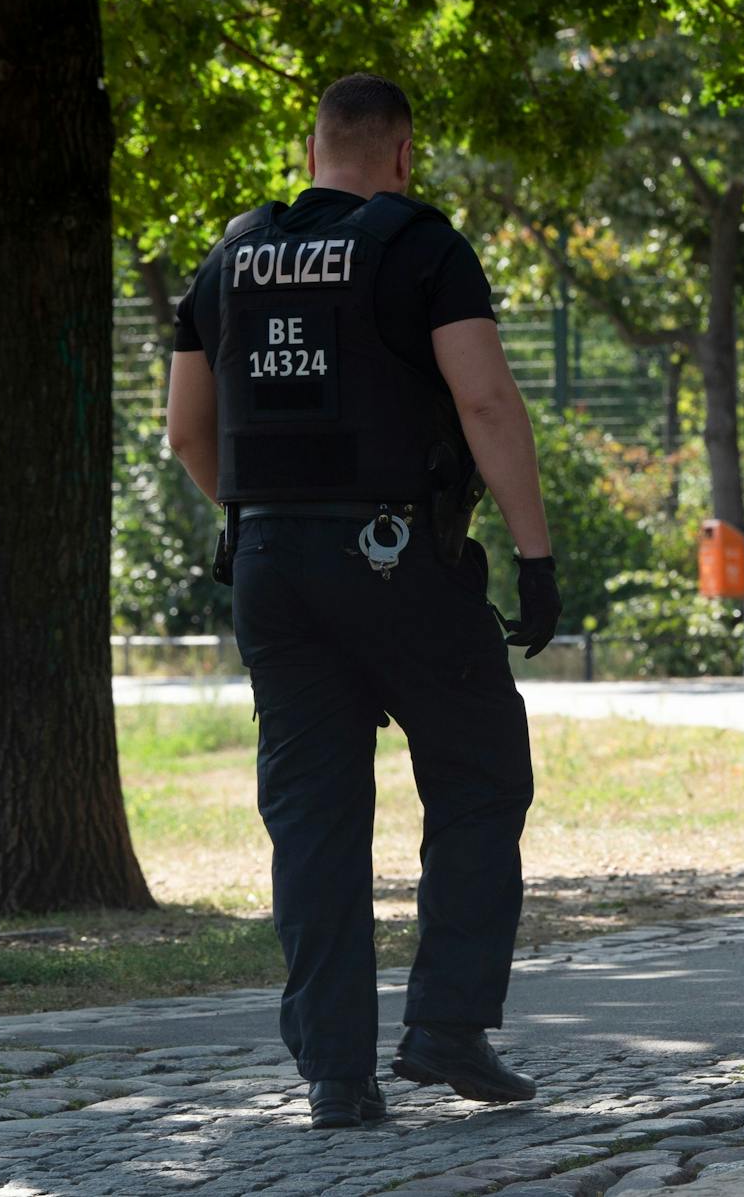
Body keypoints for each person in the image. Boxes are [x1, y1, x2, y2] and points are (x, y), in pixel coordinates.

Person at [165, 74, 561, 1130]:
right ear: (402, 155)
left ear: (311, 153)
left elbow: (186, 433)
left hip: (267, 564)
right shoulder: (421, 247)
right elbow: (484, 399)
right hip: (397, 556)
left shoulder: (228, 258)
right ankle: (447, 1024)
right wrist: (533, 556)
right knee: (480, 773)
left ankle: (336, 1072)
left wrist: (266, 519)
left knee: (314, 818)